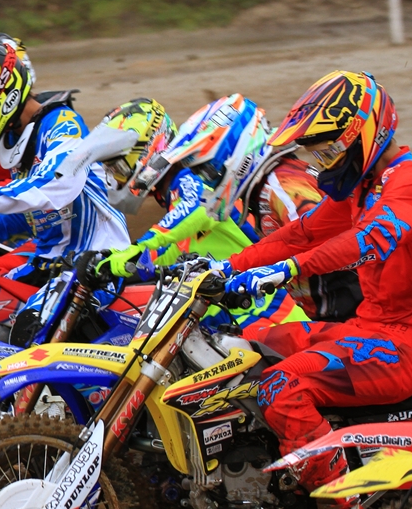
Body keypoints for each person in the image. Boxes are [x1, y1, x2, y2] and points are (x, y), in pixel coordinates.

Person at [223, 71, 412, 509]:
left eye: (327, 150)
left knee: (281, 386)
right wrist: (228, 267)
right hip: (366, 329)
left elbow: (366, 240)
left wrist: (288, 270)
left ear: (362, 135)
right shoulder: (362, 189)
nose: (320, 163)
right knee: (247, 347)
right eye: (317, 153)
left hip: (403, 344)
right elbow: (301, 233)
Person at [0, 37, 131, 295]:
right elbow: (24, 218)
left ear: (4, 96)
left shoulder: (64, 125)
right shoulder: (16, 140)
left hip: (95, 265)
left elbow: (56, 182)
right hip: (52, 262)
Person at [98, 94, 309, 336]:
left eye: (118, 168)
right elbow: (163, 256)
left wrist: (142, 246)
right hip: (232, 322)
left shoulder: (192, 179)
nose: (114, 178)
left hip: (269, 317)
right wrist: (113, 263)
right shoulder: (174, 202)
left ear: (148, 149)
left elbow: (195, 207)